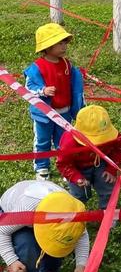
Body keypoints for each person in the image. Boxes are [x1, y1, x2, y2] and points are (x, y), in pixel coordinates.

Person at [0, 180, 89, 272]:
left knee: (58, 244)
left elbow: (82, 235)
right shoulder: (26, 209)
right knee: (26, 243)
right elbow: (2, 230)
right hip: (12, 212)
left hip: (40, 211)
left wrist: (81, 264)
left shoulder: (73, 212)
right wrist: (12, 261)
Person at [24, 23, 85, 181]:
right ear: (48, 46)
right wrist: (42, 91)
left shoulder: (67, 64)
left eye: (65, 42)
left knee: (64, 141)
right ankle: (42, 166)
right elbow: (28, 87)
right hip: (44, 114)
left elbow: (75, 85)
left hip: (64, 112)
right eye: (60, 43)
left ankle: (65, 166)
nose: (64, 46)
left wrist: (78, 104)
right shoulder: (37, 68)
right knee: (42, 140)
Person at [57, 105, 121, 210]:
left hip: (101, 163)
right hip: (78, 168)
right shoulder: (69, 142)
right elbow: (63, 163)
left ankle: (107, 214)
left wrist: (112, 169)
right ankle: (78, 216)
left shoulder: (114, 136)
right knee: (79, 195)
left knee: (108, 188)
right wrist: (76, 177)